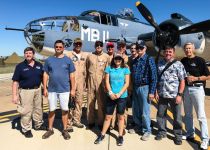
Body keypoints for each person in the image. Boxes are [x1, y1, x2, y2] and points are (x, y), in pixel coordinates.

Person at [42, 40, 76, 140]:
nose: (58, 48)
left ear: (63, 48)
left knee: (65, 110)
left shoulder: (68, 60)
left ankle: (65, 130)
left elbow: (72, 75)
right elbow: (45, 74)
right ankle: (50, 129)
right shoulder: (49, 60)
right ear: (54, 47)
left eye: (60, 47)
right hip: (52, 90)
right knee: (51, 110)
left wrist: (73, 89)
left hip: (65, 89)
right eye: (57, 46)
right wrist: (45, 88)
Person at [94, 53, 130, 146]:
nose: (118, 60)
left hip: (121, 96)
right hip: (111, 96)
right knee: (108, 117)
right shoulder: (109, 68)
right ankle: (102, 134)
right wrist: (110, 93)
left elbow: (127, 83)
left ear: (122, 60)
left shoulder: (125, 69)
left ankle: (120, 136)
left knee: (121, 116)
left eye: (119, 59)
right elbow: (106, 81)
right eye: (116, 58)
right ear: (113, 59)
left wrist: (119, 94)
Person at [12, 47, 46, 138]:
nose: (28, 54)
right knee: (26, 111)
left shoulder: (39, 65)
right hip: (25, 91)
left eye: (30, 53)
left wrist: (45, 89)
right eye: (26, 53)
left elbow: (43, 78)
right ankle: (26, 129)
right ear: (24, 55)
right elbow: (15, 82)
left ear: (33, 54)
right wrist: (15, 95)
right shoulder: (20, 66)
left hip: (38, 90)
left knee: (38, 109)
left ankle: (38, 125)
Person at [181, 42, 210, 149]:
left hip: (197, 89)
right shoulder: (183, 61)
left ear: (193, 49)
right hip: (187, 89)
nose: (188, 50)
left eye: (190, 48)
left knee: (201, 115)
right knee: (188, 114)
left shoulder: (200, 60)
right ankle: (190, 133)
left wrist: (196, 78)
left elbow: (208, 76)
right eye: (186, 48)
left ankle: (205, 139)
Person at [155, 45, 186, 145]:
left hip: (174, 95)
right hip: (162, 94)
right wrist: (156, 91)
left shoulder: (178, 64)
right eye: (166, 51)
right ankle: (162, 132)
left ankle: (178, 135)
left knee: (177, 117)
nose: (168, 53)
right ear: (164, 53)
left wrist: (180, 95)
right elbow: (157, 79)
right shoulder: (160, 63)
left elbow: (182, 80)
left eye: (170, 51)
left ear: (173, 52)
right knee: (160, 115)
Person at [130, 40, 157, 141]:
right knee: (136, 109)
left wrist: (152, 91)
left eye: (141, 48)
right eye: (137, 48)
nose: (139, 49)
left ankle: (147, 130)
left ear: (145, 48)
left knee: (145, 111)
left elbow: (154, 76)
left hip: (145, 87)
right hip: (136, 87)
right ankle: (138, 126)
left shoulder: (149, 59)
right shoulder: (135, 60)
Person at [66, 38, 88, 132]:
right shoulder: (68, 54)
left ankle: (76, 120)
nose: (78, 45)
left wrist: (86, 83)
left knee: (79, 101)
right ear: (73, 45)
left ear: (81, 45)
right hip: (71, 81)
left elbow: (87, 69)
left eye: (79, 44)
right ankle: (68, 122)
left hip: (81, 82)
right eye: (76, 44)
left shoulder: (86, 55)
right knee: (70, 102)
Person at [86, 40, 109, 129]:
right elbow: (86, 69)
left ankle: (100, 122)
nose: (98, 46)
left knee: (101, 103)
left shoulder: (106, 57)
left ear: (102, 46)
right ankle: (90, 121)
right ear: (94, 46)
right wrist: (86, 83)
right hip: (91, 81)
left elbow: (108, 72)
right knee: (90, 103)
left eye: (100, 45)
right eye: (97, 45)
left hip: (101, 83)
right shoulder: (90, 56)